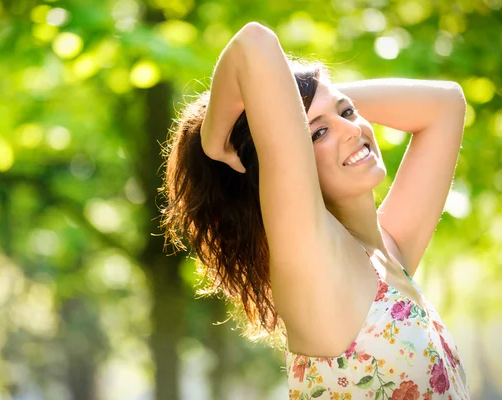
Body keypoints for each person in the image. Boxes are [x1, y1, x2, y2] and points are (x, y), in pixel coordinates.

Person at [159, 22, 470, 399]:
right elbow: (253, 42)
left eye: (349, 112)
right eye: (317, 133)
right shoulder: (318, 263)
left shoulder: (387, 253)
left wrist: (305, 96)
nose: (352, 129)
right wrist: (215, 139)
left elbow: (446, 104)